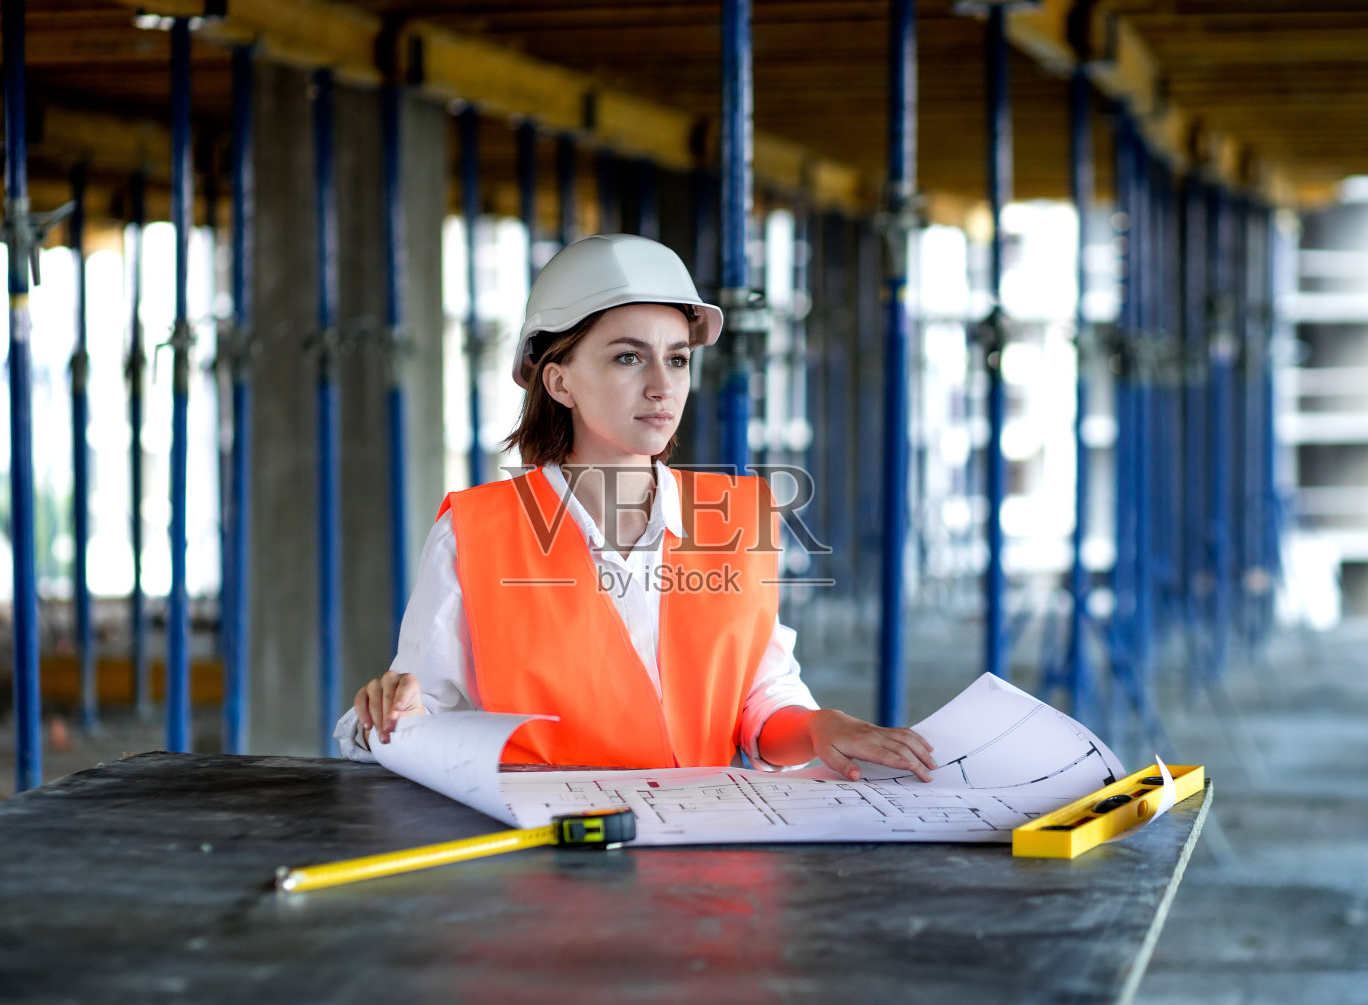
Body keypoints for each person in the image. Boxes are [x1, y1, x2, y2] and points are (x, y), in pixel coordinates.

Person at [337, 234, 934, 781]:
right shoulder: (475, 532)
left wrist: (816, 726)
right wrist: (393, 714)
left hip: (708, 854)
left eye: (677, 358)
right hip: (549, 861)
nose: (662, 385)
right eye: (628, 357)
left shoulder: (735, 517)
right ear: (559, 383)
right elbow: (421, 715)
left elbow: (759, 698)